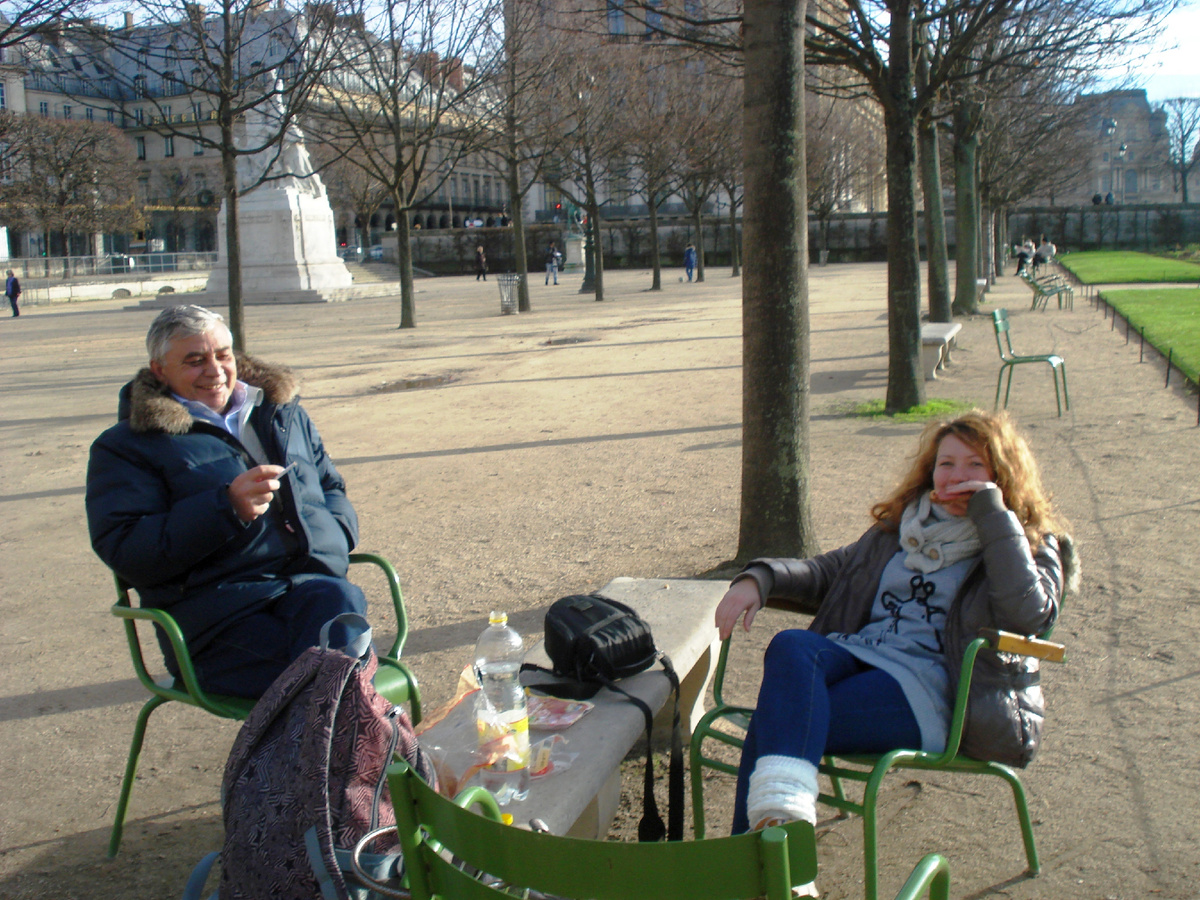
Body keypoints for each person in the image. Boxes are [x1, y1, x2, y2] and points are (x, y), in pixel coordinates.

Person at [714, 410, 1077, 841]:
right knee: (792, 646)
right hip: (862, 656)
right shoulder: (902, 526)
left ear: (1001, 474)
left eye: (975, 464)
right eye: (946, 463)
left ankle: (761, 853)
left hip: (935, 691)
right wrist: (760, 578)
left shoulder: (1030, 543)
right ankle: (776, 840)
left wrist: (992, 516)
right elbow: (828, 572)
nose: (957, 475)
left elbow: (1028, 615)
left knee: (779, 719)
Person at [86, 305, 368, 700]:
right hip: (217, 621)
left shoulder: (282, 413)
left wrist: (335, 534)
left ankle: (333, 727)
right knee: (335, 676)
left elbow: (330, 485)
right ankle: (358, 731)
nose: (215, 370)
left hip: (309, 588)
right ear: (159, 370)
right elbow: (127, 549)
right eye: (195, 361)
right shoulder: (126, 447)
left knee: (339, 606)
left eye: (223, 355)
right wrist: (226, 509)